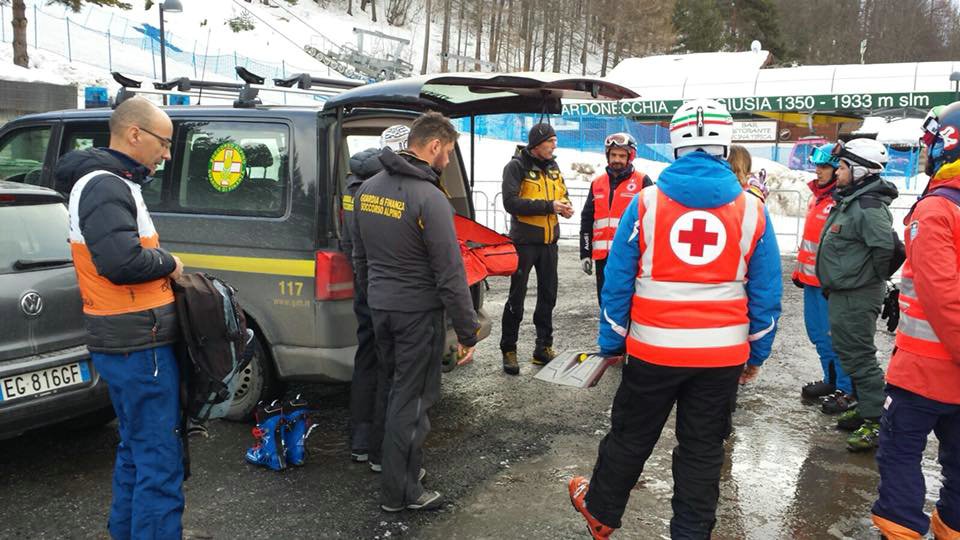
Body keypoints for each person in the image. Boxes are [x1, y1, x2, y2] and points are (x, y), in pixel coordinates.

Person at [568, 98, 782, 539]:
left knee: (630, 435)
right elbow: (765, 293)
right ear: (725, 144)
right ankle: (691, 532)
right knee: (703, 450)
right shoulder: (752, 209)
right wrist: (756, 352)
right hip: (721, 356)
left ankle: (601, 512)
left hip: (653, 350)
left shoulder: (646, 202)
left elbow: (619, 280)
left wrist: (612, 341)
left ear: (675, 144)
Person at [55, 96, 187, 539]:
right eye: (164, 143)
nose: (166, 154)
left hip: (132, 341)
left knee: (137, 451)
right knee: (160, 462)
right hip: (138, 343)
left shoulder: (115, 183)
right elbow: (121, 262)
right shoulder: (105, 185)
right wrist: (170, 263)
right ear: (135, 134)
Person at [352, 111, 479, 512]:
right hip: (417, 316)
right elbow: (449, 272)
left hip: (382, 309)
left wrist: (373, 298)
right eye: (448, 152)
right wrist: (467, 330)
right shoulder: (429, 198)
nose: (447, 160)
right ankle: (402, 492)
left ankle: (400, 469)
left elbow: (360, 256)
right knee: (414, 402)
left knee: (394, 392)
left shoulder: (367, 188)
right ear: (434, 146)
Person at [871, 102, 960, 539]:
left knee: (899, 455)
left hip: (924, 374)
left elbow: (944, 298)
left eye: (929, 144)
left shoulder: (937, 210)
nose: (925, 154)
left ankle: (902, 530)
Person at [815, 137, 898, 451]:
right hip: (845, 292)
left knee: (860, 357)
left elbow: (885, 250)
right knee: (849, 352)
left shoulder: (868, 206)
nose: (837, 172)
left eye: (843, 166)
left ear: (860, 169)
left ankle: (877, 421)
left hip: (856, 294)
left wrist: (863, 280)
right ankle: (867, 407)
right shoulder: (853, 199)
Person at [341, 125, 410, 464]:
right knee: (387, 367)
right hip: (380, 288)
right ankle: (378, 449)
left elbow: (349, 242)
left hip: (366, 285)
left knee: (366, 358)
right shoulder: (377, 188)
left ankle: (361, 438)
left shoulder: (354, 183)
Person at [500, 122, 573, 375]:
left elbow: (562, 193)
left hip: (549, 244)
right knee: (516, 298)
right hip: (524, 244)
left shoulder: (553, 166)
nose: (555, 146)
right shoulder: (516, 166)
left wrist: (565, 206)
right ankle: (508, 348)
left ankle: (543, 348)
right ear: (537, 144)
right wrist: (548, 206)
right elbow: (511, 202)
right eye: (550, 141)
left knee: (548, 297)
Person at [793, 143, 855, 414]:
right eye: (817, 166)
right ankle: (832, 380)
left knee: (837, 338)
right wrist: (799, 273)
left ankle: (847, 387)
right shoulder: (817, 197)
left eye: (826, 167)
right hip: (811, 283)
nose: (818, 171)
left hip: (832, 285)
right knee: (818, 335)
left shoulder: (844, 201)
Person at [579, 132, 653, 305]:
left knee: (629, 303)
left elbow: (653, 219)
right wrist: (585, 253)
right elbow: (587, 219)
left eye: (621, 155)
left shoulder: (643, 181)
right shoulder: (597, 183)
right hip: (603, 259)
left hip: (630, 255)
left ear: (630, 157)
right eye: (613, 155)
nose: (617, 159)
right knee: (605, 303)